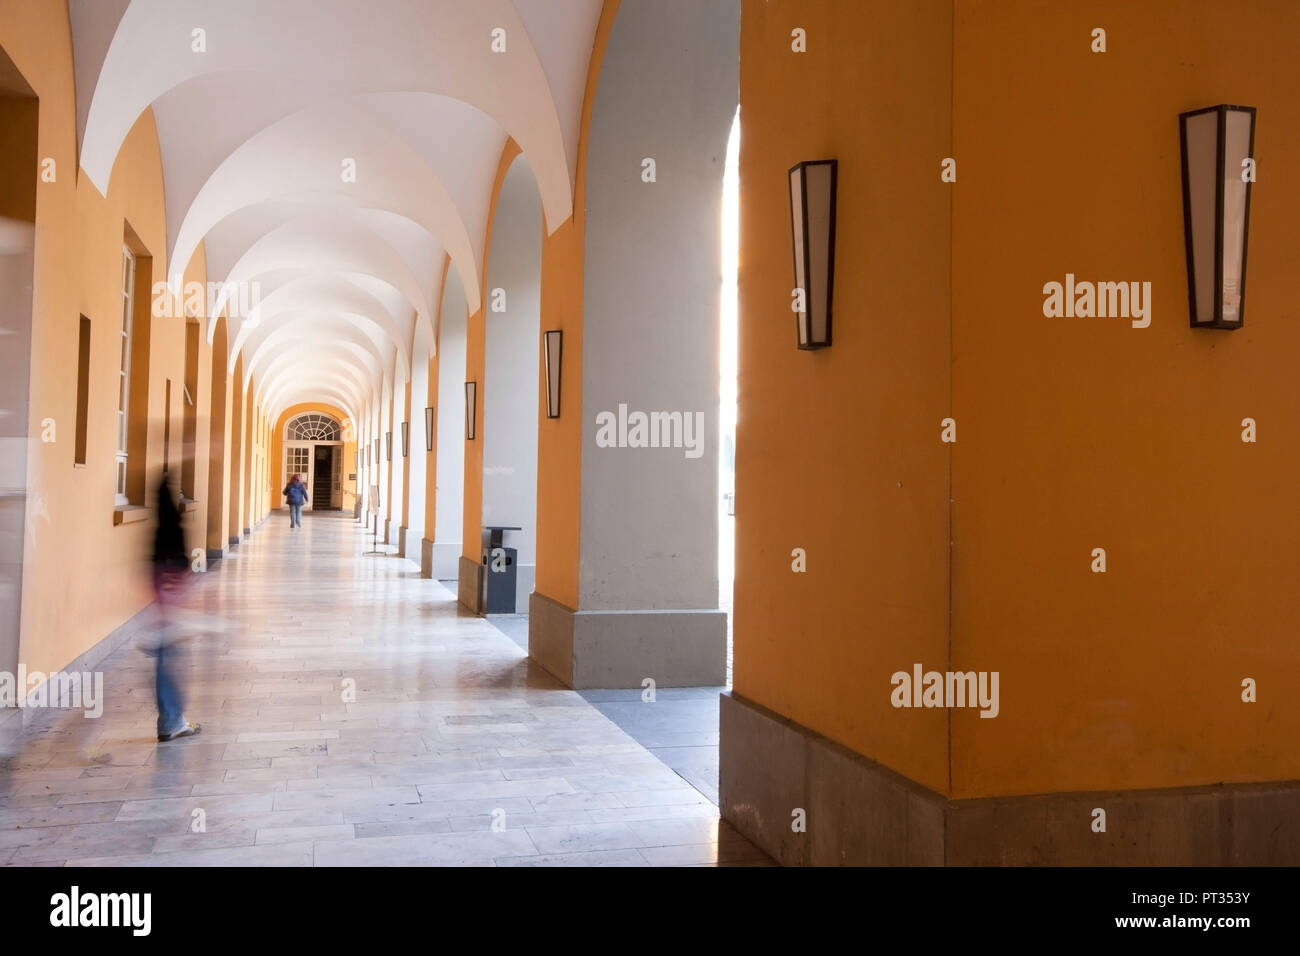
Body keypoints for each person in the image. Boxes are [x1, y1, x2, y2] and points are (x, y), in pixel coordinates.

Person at [151, 471, 200, 741]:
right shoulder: (168, 527)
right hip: (168, 587)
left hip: (167, 586)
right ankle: (171, 720)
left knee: (169, 652)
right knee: (168, 654)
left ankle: (173, 718)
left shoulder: (163, 525)